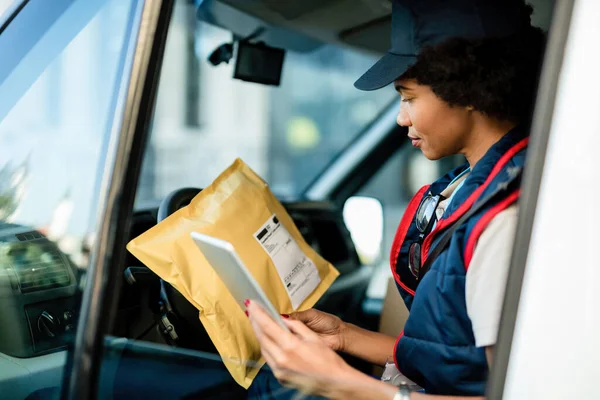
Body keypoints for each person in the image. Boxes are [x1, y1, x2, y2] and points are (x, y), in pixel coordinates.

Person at [246, 0, 546, 398]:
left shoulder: (506, 220)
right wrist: (345, 335)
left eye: (408, 97)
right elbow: (448, 358)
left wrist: (343, 384)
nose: (401, 118)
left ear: (469, 87)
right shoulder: (470, 187)